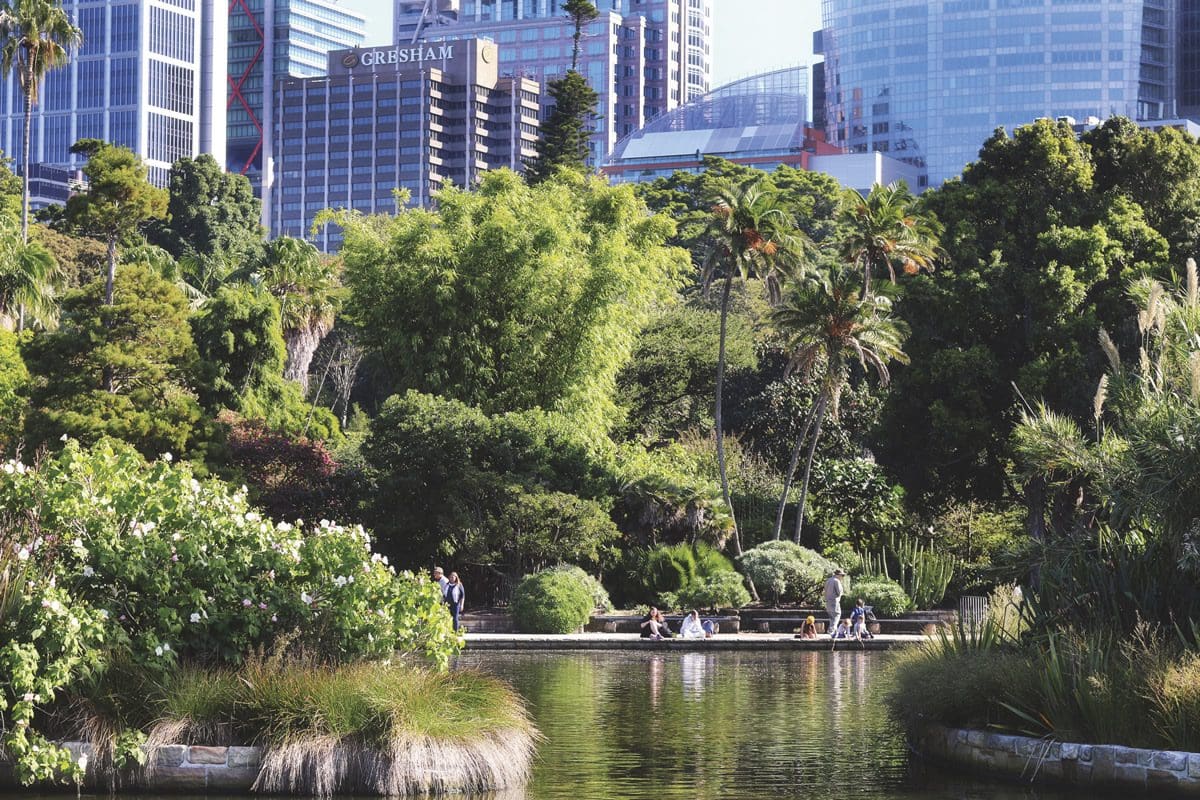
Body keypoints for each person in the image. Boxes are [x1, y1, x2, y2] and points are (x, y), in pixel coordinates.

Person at [824, 569, 845, 640]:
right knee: (837, 615)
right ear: (838, 575)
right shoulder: (836, 581)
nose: (842, 577)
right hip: (834, 601)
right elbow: (839, 592)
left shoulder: (828, 580)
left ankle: (830, 631)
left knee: (831, 617)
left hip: (827, 602)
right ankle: (832, 631)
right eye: (842, 575)